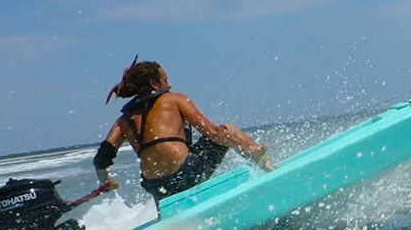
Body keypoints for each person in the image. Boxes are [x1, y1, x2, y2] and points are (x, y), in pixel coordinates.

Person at [93, 57, 275, 205]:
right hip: (186, 173)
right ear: (154, 84)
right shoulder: (174, 99)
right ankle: (269, 167)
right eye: (165, 80)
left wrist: (105, 180)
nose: (170, 84)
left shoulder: (123, 120)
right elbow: (212, 132)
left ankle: (166, 223)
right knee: (229, 129)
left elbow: (101, 159)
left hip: (155, 185)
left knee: (167, 198)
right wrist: (243, 145)